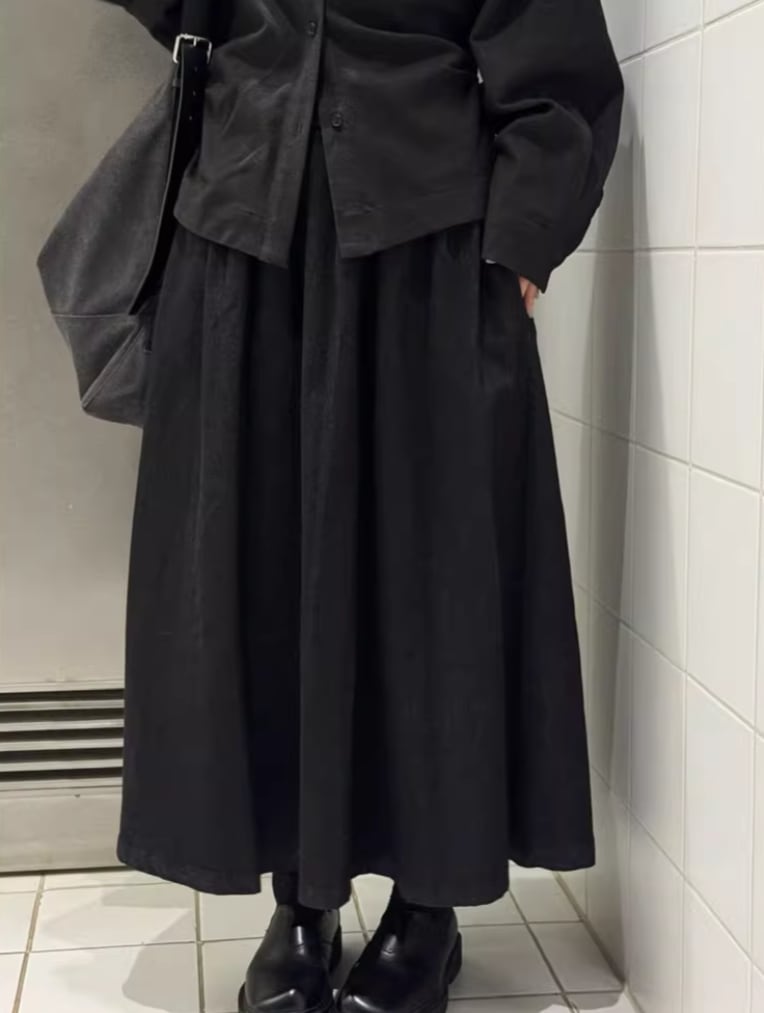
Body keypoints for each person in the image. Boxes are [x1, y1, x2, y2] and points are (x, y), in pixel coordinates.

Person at [104, 1, 624, 1011]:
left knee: (435, 584)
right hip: (243, 239)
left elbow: (559, 70)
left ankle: (428, 904)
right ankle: (301, 899)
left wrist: (522, 242)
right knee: (260, 579)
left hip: (427, 248)